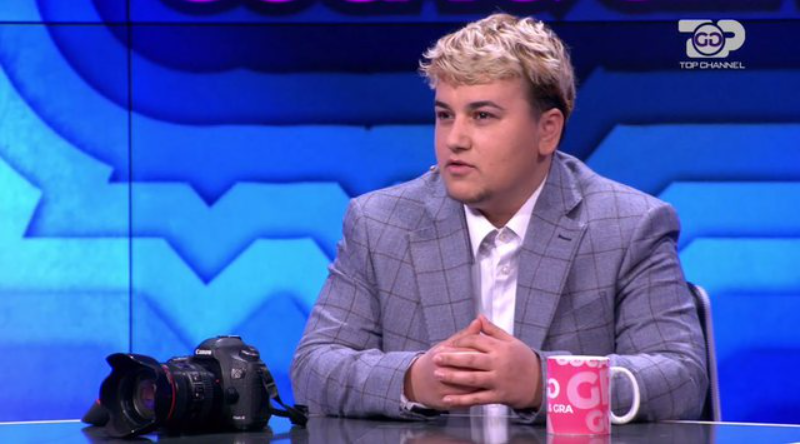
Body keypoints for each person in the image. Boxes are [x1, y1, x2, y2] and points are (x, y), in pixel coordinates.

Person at [290, 13, 708, 422]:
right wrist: (413, 380)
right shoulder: (380, 223)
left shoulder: (629, 226)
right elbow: (313, 368)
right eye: (445, 115)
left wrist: (542, 382)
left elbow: (681, 380)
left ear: (547, 130)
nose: (455, 139)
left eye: (482, 116)